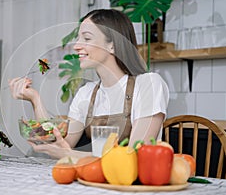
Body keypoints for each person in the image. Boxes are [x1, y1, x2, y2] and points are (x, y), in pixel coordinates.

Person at [9, 9, 169, 159]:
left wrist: (69, 154)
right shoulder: (87, 92)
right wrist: (35, 99)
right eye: (78, 38)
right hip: (95, 181)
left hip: (131, 186)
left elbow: (134, 155)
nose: (77, 45)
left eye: (86, 38)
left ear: (112, 45)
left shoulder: (148, 84)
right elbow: (58, 144)